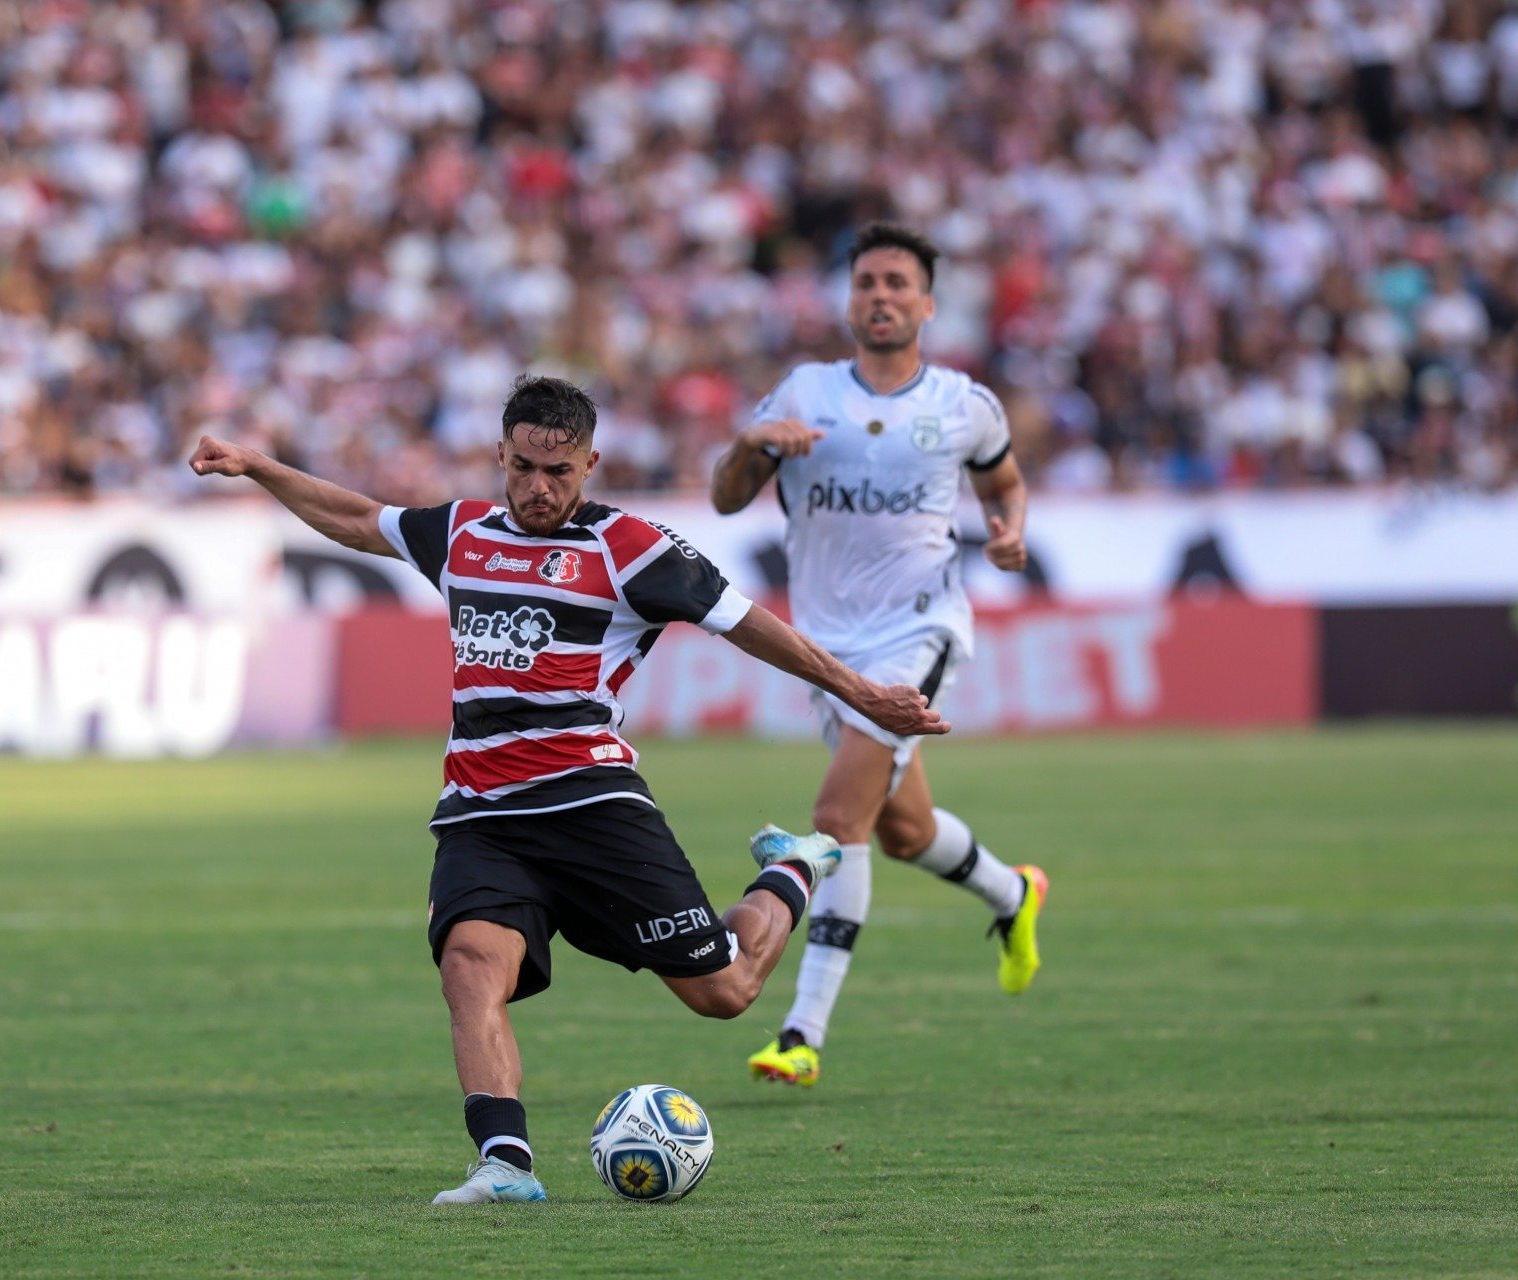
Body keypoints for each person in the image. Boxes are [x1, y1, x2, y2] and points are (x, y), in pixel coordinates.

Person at [191, 374, 949, 1203]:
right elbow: (354, 518)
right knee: (470, 963)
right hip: (482, 812)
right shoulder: (461, 532)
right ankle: (504, 1165)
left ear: (590, 463)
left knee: (725, 990)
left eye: (559, 472)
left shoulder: (633, 548)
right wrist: (259, 466)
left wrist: (863, 694)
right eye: (523, 467)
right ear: (502, 457)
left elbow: (756, 629)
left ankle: (795, 865)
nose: (539, 487)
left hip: (592, 807)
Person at [709, 222, 1049, 1090]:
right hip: (828, 644)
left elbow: (1003, 480)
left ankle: (800, 1032)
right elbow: (724, 496)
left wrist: (1009, 531)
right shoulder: (804, 392)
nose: (882, 296)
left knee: (837, 820)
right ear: (849, 301)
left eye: (899, 282)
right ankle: (1014, 896)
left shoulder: (962, 405)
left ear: (928, 304)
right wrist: (754, 446)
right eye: (867, 282)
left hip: (919, 630)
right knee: (905, 831)